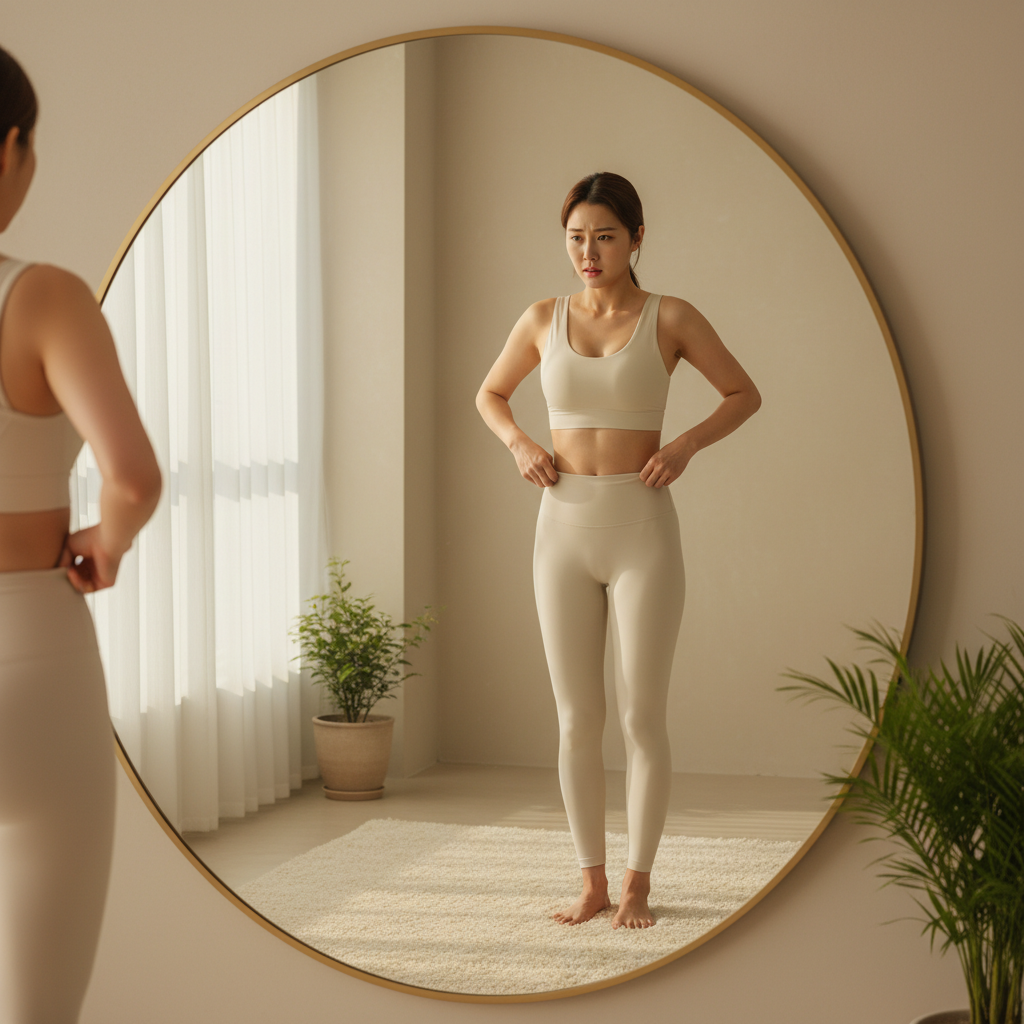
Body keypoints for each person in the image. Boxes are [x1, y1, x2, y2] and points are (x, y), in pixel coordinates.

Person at [476, 172, 760, 929]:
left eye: (604, 236)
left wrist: (687, 445)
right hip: (560, 529)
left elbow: (742, 392)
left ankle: (637, 882)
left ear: (636, 237)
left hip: (642, 530)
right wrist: (518, 444)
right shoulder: (542, 317)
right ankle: (592, 881)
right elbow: (490, 394)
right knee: (576, 718)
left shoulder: (671, 317)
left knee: (641, 717)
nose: (588, 252)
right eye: (575, 237)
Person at [0, 47, 161, 1021]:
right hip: (28, 647)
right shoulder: (42, 296)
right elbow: (132, 477)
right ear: (12, 148)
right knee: (38, 1003)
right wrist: (109, 538)